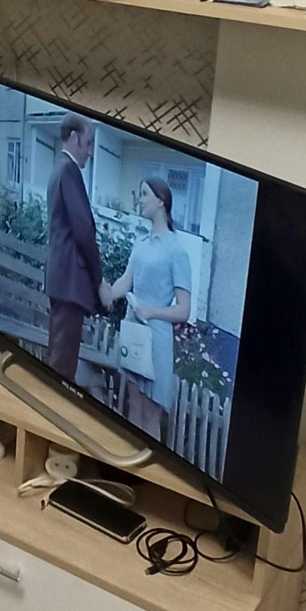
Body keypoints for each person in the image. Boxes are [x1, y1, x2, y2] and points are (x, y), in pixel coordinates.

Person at [109, 177, 191, 439]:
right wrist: (103, 292)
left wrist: (150, 311)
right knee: (134, 409)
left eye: (144, 194)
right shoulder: (141, 244)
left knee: (150, 418)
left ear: (161, 201)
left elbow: (184, 310)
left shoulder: (176, 251)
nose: (140, 199)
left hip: (156, 340)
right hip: (134, 334)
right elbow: (125, 282)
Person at [45, 114, 113, 380]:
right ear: (74, 138)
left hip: (62, 281)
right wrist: (99, 281)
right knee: (62, 368)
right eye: (88, 143)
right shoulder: (68, 171)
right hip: (70, 284)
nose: (90, 152)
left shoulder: (59, 168)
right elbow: (83, 231)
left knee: (56, 359)